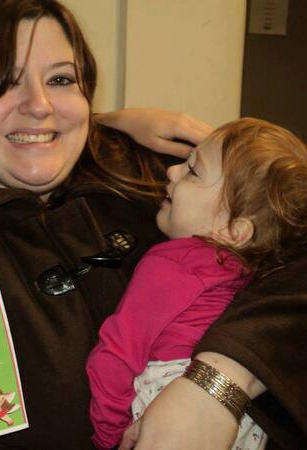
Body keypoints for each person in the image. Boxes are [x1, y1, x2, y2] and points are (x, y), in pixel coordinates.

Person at [0, 1, 306, 449]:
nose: (39, 106)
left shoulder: (157, 176)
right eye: (5, 83)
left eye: (61, 80)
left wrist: (221, 380)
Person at [87, 117, 307, 450]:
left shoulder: (172, 263)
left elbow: (115, 353)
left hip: (169, 409)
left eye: (192, 171)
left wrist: (108, 434)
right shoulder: (262, 274)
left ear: (233, 230)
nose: (171, 171)